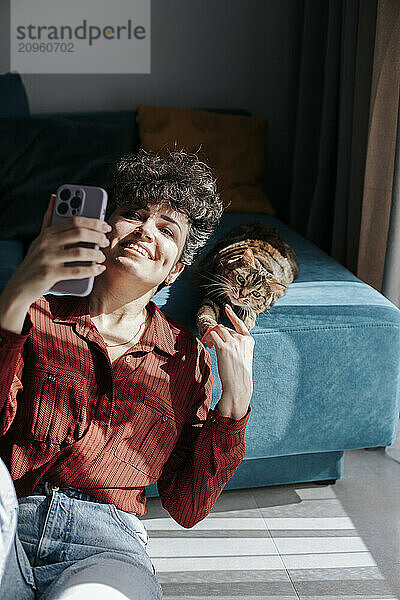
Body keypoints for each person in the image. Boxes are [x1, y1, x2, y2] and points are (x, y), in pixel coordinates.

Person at [0, 148, 254, 599]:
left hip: (108, 542)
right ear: (103, 230)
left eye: (166, 228)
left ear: (174, 269)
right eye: (133, 213)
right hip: (9, 516)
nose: (143, 231)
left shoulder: (184, 357)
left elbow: (186, 504)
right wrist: (16, 296)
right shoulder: (32, 310)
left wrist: (233, 405)